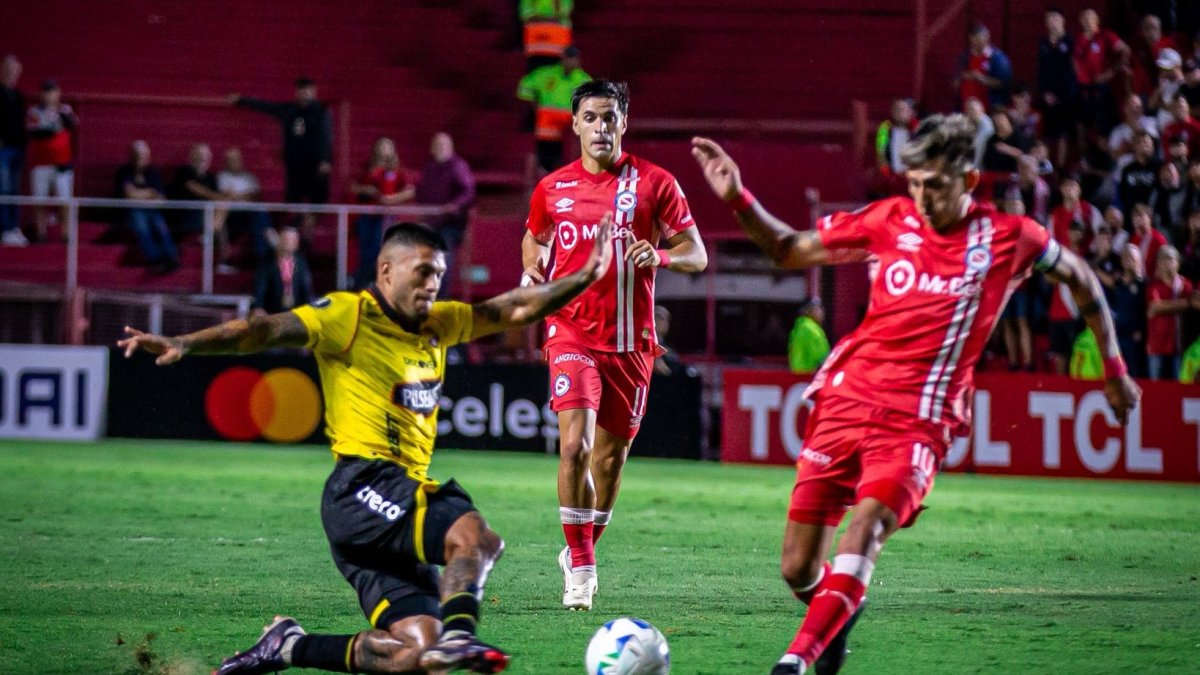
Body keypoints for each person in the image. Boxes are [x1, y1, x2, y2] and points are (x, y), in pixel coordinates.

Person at [690, 114, 1140, 675]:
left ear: (970, 181)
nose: (924, 197)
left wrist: (1115, 369)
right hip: (846, 401)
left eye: (937, 185)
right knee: (797, 568)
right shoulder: (887, 219)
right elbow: (788, 250)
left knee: (867, 526)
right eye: (917, 183)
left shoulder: (1011, 237)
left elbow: (1080, 277)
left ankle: (794, 662)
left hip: (919, 418)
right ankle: (840, 603)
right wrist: (738, 198)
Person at [118, 219, 616, 675]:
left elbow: (518, 307)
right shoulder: (347, 315)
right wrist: (187, 343)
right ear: (385, 270)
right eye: (422, 272)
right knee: (477, 538)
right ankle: (462, 637)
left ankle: (289, 646)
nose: (431, 285)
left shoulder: (440, 323)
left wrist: (585, 275)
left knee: (415, 653)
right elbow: (262, 329)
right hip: (361, 486)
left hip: (384, 509)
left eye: (438, 275)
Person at [521, 80, 708, 611]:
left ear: (624, 122)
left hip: (631, 344)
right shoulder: (551, 188)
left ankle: (578, 547)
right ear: (574, 124)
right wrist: (531, 265)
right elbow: (534, 235)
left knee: (607, 464)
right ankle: (582, 569)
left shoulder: (656, 183)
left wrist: (662, 257)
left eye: (610, 117)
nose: (600, 127)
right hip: (570, 331)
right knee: (574, 444)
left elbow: (697, 254)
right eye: (590, 117)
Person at [234, 77, 333, 236]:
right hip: (294, 164)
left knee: (316, 197)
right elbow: (268, 107)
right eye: (301, 90)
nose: (304, 93)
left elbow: (326, 137)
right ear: (297, 92)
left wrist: (324, 159)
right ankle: (295, 228)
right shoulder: (290, 110)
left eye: (308, 90)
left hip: (314, 166)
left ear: (314, 92)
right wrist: (243, 100)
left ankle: (308, 231)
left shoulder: (321, 111)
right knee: (293, 197)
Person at [415, 132, 475, 299]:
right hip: (431, 222)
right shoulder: (430, 168)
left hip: (450, 224)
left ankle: (441, 299)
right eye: (436, 145)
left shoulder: (457, 166)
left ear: (451, 148)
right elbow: (422, 192)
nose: (439, 149)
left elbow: (468, 191)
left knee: (442, 262)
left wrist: (454, 205)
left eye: (442, 145)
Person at [517, 45, 592, 173]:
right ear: (563, 59)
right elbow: (525, 86)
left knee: (571, 154)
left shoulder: (584, 80)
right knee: (546, 156)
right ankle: (545, 176)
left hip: (570, 124)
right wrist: (536, 106)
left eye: (573, 59)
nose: (570, 62)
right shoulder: (546, 74)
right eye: (568, 58)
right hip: (548, 123)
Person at [353, 137, 415, 289]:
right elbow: (353, 187)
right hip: (367, 216)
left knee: (382, 251)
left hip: (387, 218)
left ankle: (383, 286)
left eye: (387, 146)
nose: (383, 149)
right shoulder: (367, 168)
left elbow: (410, 191)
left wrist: (392, 198)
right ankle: (362, 286)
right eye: (381, 145)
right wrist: (367, 190)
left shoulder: (398, 170)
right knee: (366, 253)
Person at [26, 78, 78, 242]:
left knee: (64, 200)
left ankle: (66, 234)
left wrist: (58, 115)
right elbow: (36, 132)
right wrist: (56, 128)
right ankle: (41, 234)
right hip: (41, 162)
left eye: (53, 91)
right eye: (46, 92)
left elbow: (72, 124)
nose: (49, 95)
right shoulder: (34, 111)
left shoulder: (65, 109)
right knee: (39, 200)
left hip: (62, 162)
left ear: (58, 93)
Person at [115, 140, 178, 273]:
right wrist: (150, 193)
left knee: (160, 225)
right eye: (137, 155)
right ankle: (155, 259)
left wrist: (141, 195)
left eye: (143, 155)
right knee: (140, 224)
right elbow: (129, 195)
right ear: (131, 155)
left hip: (151, 210)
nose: (140, 158)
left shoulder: (153, 172)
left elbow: (161, 198)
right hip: (131, 211)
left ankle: (171, 257)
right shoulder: (124, 171)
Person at [216, 147, 274, 265]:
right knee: (259, 214)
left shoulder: (249, 177)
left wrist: (236, 196)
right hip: (232, 215)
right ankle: (271, 240)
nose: (234, 162)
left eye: (236, 159)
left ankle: (261, 252)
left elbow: (255, 196)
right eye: (231, 160)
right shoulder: (222, 176)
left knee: (259, 212)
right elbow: (226, 195)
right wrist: (244, 196)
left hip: (250, 213)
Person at [1146, 245, 1196, 379]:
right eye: (1162, 260)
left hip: (1178, 343)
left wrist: (1163, 306)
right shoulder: (1153, 285)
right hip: (1157, 343)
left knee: (1178, 381)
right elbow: (1154, 308)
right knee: (1154, 383)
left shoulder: (1185, 285)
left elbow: (1192, 304)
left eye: (1170, 259)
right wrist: (1183, 303)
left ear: (1178, 263)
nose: (1166, 263)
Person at [1036, 8, 1077, 168]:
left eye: (1054, 18)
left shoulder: (1070, 42)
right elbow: (1040, 70)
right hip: (1048, 94)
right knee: (1047, 134)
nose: (1051, 21)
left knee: (1063, 134)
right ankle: (1044, 166)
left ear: (1062, 20)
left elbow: (1072, 70)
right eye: (1048, 18)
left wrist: (1062, 94)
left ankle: (1060, 168)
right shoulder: (1043, 44)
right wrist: (1045, 92)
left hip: (1066, 95)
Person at [253, 226, 313, 315]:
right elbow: (260, 288)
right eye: (286, 239)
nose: (289, 242)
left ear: (297, 243)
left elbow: (306, 291)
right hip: (272, 311)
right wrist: (258, 307)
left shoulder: (301, 264)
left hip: (296, 313)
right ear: (279, 240)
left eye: (292, 240)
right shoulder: (267, 263)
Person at [0, 55, 26, 246]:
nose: (12, 74)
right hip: (3, 149)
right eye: (8, 70)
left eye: (15, 70)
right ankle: (5, 229)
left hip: (17, 148)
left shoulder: (18, 96)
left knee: (14, 190)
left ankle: (14, 227)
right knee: (4, 188)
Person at [956, 24, 1012, 111]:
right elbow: (957, 77)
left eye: (977, 40)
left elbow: (1004, 83)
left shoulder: (998, 58)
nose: (974, 44)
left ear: (986, 37)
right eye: (972, 41)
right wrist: (961, 77)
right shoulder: (965, 56)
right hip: (966, 108)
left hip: (989, 108)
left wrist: (981, 79)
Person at [520, 0, 574, 72]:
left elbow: (565, 11)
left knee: (558, 73)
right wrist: (551, 19)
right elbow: (525, 14)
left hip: (559, 43)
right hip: (535, 45)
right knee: (535, 74)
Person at [788, 297, 830, 376]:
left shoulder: (798, 328)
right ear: (810, 311)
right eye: (819, 308)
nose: (822, 311)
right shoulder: (811, 329)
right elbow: (823, 359)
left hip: (796, 377)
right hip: (809, 378)